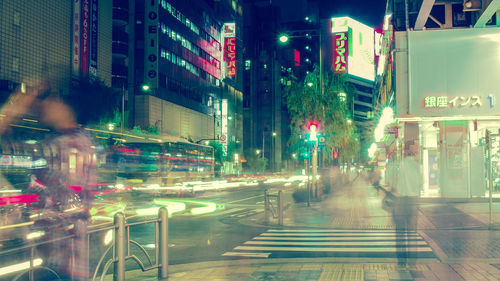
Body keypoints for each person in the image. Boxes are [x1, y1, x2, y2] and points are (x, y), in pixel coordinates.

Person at [391, 144, 422, 268]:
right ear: (413, 152)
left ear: (404, 151)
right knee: (412, 232)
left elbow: (391, 181)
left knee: (400, 233)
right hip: (413, 201)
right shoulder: (417, 166)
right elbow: (421, 184)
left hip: (400, 201)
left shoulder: (398, 165)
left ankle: (401, 261)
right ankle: (413, 261)